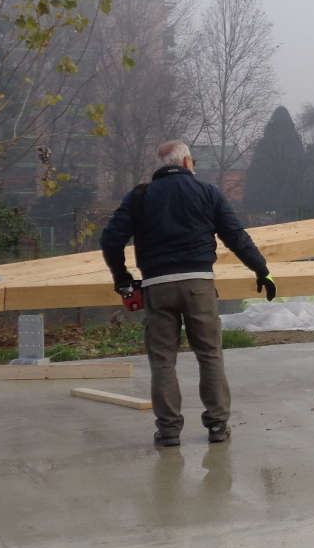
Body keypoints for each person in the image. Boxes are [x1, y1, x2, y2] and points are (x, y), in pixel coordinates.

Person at [101, 140, 276, 447]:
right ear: (186, 163)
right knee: (209, 355)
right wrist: (261, 269)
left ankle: (169, 432)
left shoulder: (140, 197)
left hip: (157, 286)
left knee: (163, 361)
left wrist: (123, 279)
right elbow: (235, 235)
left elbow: (110, 240)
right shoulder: (207, 193)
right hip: (199, 285)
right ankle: (218, 426)